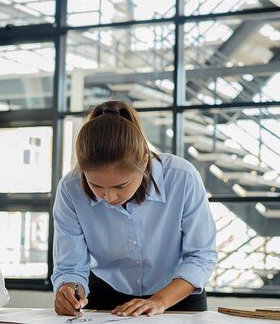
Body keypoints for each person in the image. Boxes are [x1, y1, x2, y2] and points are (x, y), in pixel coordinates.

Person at [52, 100, 217, 317]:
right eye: (96, 185)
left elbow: (201, 255)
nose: (109, 196)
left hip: (177, 294)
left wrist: (159, 301)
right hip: (107, 294)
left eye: (120, 185)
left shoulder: (182, 177)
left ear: (145, 161)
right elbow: (71, 265)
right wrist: (68, 290)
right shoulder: (70, 188)